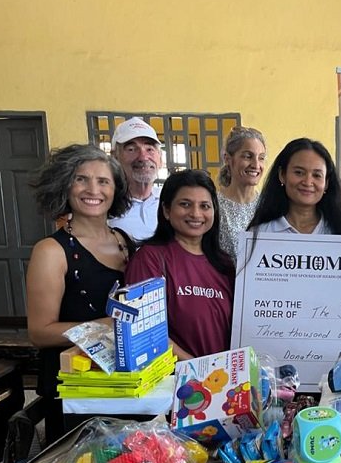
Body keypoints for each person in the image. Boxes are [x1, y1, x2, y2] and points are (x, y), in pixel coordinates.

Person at [26, 144, 133, 443]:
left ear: (116, 189)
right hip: (74, 392)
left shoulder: (124, 241)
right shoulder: (51, 251)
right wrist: (106, 326)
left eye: (103, 181)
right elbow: (39, 332)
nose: (93, 189)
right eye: (81, 179)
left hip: (121, 385)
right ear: (65, 185)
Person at [125, 169, 234, 360]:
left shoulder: (224, 264)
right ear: (166, 210)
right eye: (185, 204)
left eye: (205, 206)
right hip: (177, 376)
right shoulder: (149, 259)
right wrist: (196, 368)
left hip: (223, 374)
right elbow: (145, 330)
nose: (196, 214)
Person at [248, 137, 341, 235]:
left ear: (326, 183)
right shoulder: (260, 234)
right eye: (299, 172)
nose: (308, 182)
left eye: (317, 175)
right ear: (282, 175)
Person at [108, 117, 163, 242]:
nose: (143, 157)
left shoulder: (171, 201)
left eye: (149, 149)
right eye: (131, 149)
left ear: (160, 159)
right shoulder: (103, 205)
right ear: (114, 158)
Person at [217, 126, 267, 265]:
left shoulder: (268, 206)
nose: (256, 165)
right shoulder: (212, 206)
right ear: (228, 159)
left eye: (261, 158)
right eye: (247, 156)